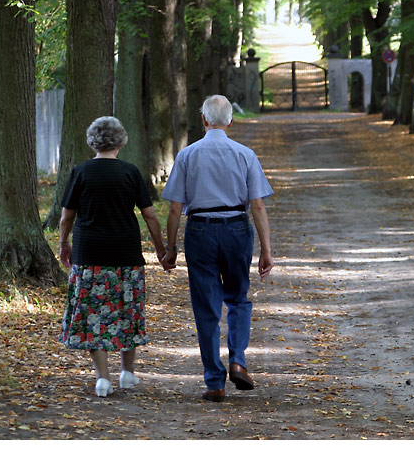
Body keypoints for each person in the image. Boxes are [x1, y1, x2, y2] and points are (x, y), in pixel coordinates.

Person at [160, 95, 274, 402]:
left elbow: (174, 209)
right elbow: (258, 205)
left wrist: (170, 248)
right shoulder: (245, 154)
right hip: (237, 228)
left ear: (204, 119)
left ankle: (214, 382)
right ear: (231, 121)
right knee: (238, 299)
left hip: (200, 231)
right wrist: (266, 249)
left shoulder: (187, 155)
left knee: (206, 308)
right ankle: (238, 359)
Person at [58, 116, 168, 397]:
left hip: (89, 252)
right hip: (125, 253)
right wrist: (160, 249)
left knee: (94, 313)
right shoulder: (131, 172)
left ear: (92, 141)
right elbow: (150, 215)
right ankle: (128, 374)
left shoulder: (80, 172)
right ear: (120, 141)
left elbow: (66, 216)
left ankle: (102, 378)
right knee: (127, 310)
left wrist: (63, 243)